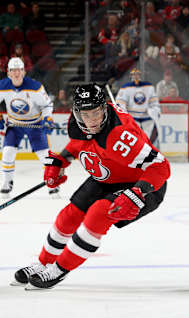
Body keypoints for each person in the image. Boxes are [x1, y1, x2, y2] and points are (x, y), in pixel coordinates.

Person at [11, 83, 170, 290]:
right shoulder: (78, 124)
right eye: (86, 115)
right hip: (108, 175)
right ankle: (43, 263)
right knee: (68, 216)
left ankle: (59, 269)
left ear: (104, 108)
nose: (92, 120)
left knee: (98, 213)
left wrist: (136, 192)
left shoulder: (119, 136)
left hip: (143, 184)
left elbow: (161, 167)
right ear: (76, 112)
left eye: (96, 113)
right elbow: (81, 143)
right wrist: (61, 161)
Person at [0, 57, 58, 198]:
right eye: (13, 70)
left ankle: (52, 183)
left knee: (44, 156)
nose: (16, 73)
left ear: (24, 72)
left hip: (35, 125)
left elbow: (47, 105)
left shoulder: (35, 87)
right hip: (15, 125)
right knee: (7, 152)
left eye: (19, 70)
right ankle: (7, 182)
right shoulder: (2, 85)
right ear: (8, 72)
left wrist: (47, 118)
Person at [116, 68, 161, 148]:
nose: (136, 76)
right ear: (131, 76)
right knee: (133, 142)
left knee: (151, 140)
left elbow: (154, 103)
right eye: (134, 74)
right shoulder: (125, 88)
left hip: (147, 118)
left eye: (138, 74)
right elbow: (120, 104)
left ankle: (153, 155)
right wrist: (125, 116)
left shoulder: (149, 87)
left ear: (140, 75)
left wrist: (154, 111)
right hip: (133, 119)